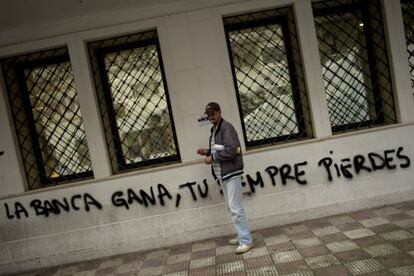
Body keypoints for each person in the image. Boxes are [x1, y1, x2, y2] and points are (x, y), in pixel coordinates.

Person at [197, 102, 253, 254]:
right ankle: (242, 235)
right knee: (232, 207)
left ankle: (246, 241)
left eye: (213, 114)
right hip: (223, 173)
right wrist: (207, 151)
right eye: (208, 116)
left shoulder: (226, 127)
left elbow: (232, 150)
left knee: (236, 208)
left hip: (231, 172)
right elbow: (221, 148)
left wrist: (212, 157)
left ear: (219, 112)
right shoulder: (215, 130)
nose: (211, 118)